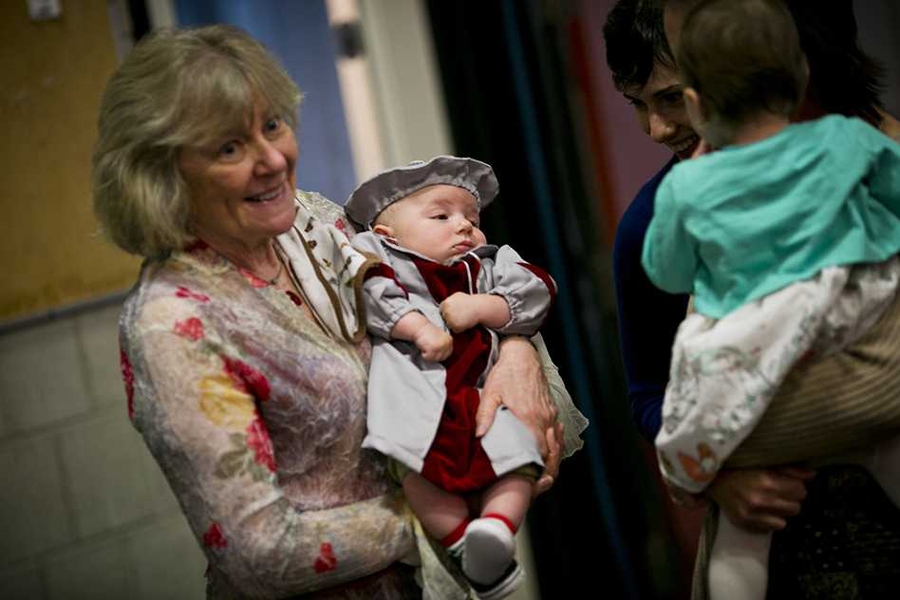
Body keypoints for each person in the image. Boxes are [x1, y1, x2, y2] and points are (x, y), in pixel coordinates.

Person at [91, 24, 584, 599]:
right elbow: (262, 553)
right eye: (230, 147)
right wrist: (449, 502)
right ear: (161, 175)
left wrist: (516, 353)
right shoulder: (172, 324)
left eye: (272, 124)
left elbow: (453, 288)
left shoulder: (312, 222)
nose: (273, 159)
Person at [604, 1, 900, 598]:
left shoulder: (688, 194)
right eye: (636, 103)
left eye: (668, 97)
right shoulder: (658, 210)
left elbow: (668, 271)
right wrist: (721, 480)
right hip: (790, 524)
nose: (655, 130)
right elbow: (647, 392)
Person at [343, 156, 576, 600]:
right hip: (416, 394)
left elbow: (538, 291)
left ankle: (495, 529)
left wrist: (482, 308)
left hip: (481, 395)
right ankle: (467, 551)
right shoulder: (380, 262)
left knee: (519, 457)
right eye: (441, 215)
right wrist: (417, 327)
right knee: (417, 472)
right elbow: (366, 293)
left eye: (472, 217)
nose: (464, 227)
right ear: (387, 235)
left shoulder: (488, 265)